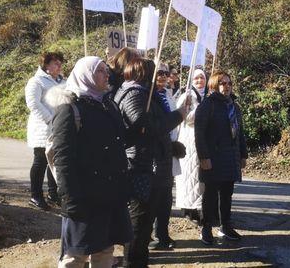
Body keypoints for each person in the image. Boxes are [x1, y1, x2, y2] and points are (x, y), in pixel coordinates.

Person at [51, 56, 132, 268]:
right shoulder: (69, 109)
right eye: (101, 71)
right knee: (74, 255)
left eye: (107, 70)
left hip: (109, 193)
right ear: (86, 75)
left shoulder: (108, 104)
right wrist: (70, 199)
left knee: (105, 249)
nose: (107, 74)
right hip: (83, 195)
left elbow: (120, 140)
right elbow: (63, 159)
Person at [114, 58, 189, 267]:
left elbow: (154, 130)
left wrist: (171, 147)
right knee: (138, 225)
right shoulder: (134, 94)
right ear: (143, 74)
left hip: (153, 165)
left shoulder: (149, 95)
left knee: (146, 223)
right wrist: (178, 116)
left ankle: (140, 262)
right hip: (140, 167)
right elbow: (144, 127)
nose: (159, 77)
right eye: (154, 73)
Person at [195, 71, 247, 245]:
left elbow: (240, 133)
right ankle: (206, 228)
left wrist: (243, 154)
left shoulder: (234, 105)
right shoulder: (207, 105)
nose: (227, 86)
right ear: (214, 85)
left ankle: (225, 226)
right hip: (212, 157)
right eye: (222, 83)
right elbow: (199, 133)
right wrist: (203, 156)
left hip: (230, 156)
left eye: (229, 83)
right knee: (209, 196)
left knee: (227, 194)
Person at [25, 51, 65, 210]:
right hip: (42, 129)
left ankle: (53, 194)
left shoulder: (62, 81)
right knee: (40, 161)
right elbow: (33, 104)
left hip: (59, 127)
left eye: (60, 62)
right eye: (56, 62)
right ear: (46, 65)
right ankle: (35, 196)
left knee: (54, 161)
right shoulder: (36, 81)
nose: (60, 65)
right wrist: (50, 119)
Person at [150, 62, 182, 250]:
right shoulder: (148, 97)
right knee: (153, 197)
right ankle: (148, 235)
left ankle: (162, 233)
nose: (163, 76)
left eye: (165, 73)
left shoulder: (167, 95)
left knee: (166, 197)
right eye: (158, 72)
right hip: (155, 155)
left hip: (168, 152)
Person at [175, 69, 207, 226]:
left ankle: (202, 208)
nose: (199, 80)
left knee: (200, 176)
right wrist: (201, 110)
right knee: (189, 176)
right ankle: (189, 209)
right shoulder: (186, 96)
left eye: (202, 77)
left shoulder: (207, 95)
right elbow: (185, 118)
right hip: (189, 138)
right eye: (196, 78)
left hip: (204, 139)